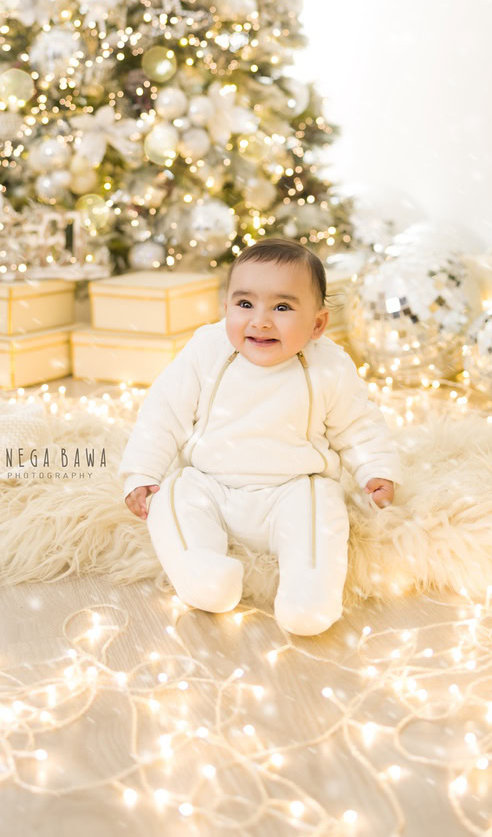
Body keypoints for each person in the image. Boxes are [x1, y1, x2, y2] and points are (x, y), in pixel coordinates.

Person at [119, 237, 401, 636]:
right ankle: (203, 575)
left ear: (318, 323)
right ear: (227, 308)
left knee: (323, 512)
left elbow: (357, 423)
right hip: (210, 483)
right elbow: (163, 411)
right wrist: (141, 472)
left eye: (282, 307)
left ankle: (309, 596)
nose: (261, 321)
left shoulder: (329, 365)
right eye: (245, 304)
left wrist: (375, 470)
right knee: (171, 500)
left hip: (292, 489)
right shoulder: (207, 349)